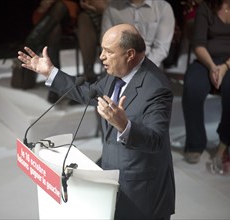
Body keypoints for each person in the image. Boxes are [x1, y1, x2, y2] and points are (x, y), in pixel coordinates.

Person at [18, 23, 175, 220]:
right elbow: (89, 93)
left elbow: (156, 140)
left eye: (108, 52)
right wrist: (50, 72)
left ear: (130, 54)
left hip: (141, 194)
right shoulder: (115, 75)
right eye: (102, 50)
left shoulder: (156, 88)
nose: (101, 57)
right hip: (112, 178)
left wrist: (124, 126)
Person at [182, 0, 230, 172]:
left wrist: (225, 67)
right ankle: (195, 144)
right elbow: (198, 44)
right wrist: (212, 67)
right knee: (192, 86)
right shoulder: (206, 7)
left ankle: (224, 143)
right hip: (206, 60)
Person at [11, 0, 108, 104]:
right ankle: (54, 77)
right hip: (58, 16)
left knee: (62, 7)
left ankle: (30, 46)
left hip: (80, 13)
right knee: (54, 29)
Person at [101, 0, 175, 67]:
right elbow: (106, 44)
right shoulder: (112, 8)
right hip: (119, 64)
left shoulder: (163, 8)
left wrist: (140, 68)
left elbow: (161, 48)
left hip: (150, 65)